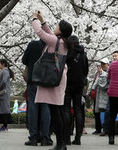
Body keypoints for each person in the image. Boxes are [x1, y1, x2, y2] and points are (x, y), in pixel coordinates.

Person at [32, 11, 73, 150]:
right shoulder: (62, 41)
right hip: (57, 77)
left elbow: (40, 33)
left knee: (56, 112)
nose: (55, 27)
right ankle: (61, 143)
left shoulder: (56, 41)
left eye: (57, 26)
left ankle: (61, 144)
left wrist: (34, 19)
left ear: (61, 30)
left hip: (51, 78)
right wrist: (43, 21)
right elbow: (49, 34)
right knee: (57, 111)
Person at [23, 37, 52, 146]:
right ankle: (45, 137)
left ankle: (33, 137)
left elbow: (24, 60)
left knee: (33, 108)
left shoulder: (32, 45)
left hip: (33, 80)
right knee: (45, 108)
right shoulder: (52, 46)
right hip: (46, 81)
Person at [63, 35, 88, 146]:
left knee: (66, 110)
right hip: (79, 85)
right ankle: (78, 138)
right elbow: (86, 71)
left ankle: (67, 137)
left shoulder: (68, 53)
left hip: (68, 84)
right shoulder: (83, 55)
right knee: (78, 110)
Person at [89, 60, 109, 135]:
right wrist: (91, 92)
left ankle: (105, 128)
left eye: (104, 64)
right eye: (101, 64)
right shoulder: (97, 73)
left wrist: (101, 75)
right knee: (97, 112)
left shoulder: (106, 73)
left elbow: (103, 85)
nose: (102, 65)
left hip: (105, 95)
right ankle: (98, 128)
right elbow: (93, 84)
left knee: (104, 111)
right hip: (97, 95)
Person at [0, 59, 12, 132]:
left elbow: (4, 81)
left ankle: (5, 126)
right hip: (5, 92)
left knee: (4, 109)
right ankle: (4, 126)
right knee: (4, 108)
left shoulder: (5, 71)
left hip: (4, 92)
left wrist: (0, 88)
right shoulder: (6, 71)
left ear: (3, 64)